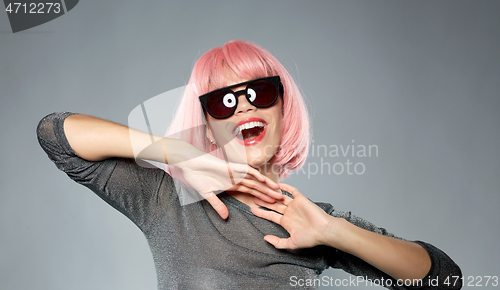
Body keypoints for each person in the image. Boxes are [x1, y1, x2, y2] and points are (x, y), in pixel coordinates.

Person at [37, 40, 462, 289]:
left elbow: (445, 279)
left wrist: (332, 232)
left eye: (258, 91)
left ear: (283, 107)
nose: (242, 105)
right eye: (223, 101)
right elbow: (56, 135)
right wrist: (178, 153)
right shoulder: (168, 198)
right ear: (207, 125)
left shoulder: (312, 221)